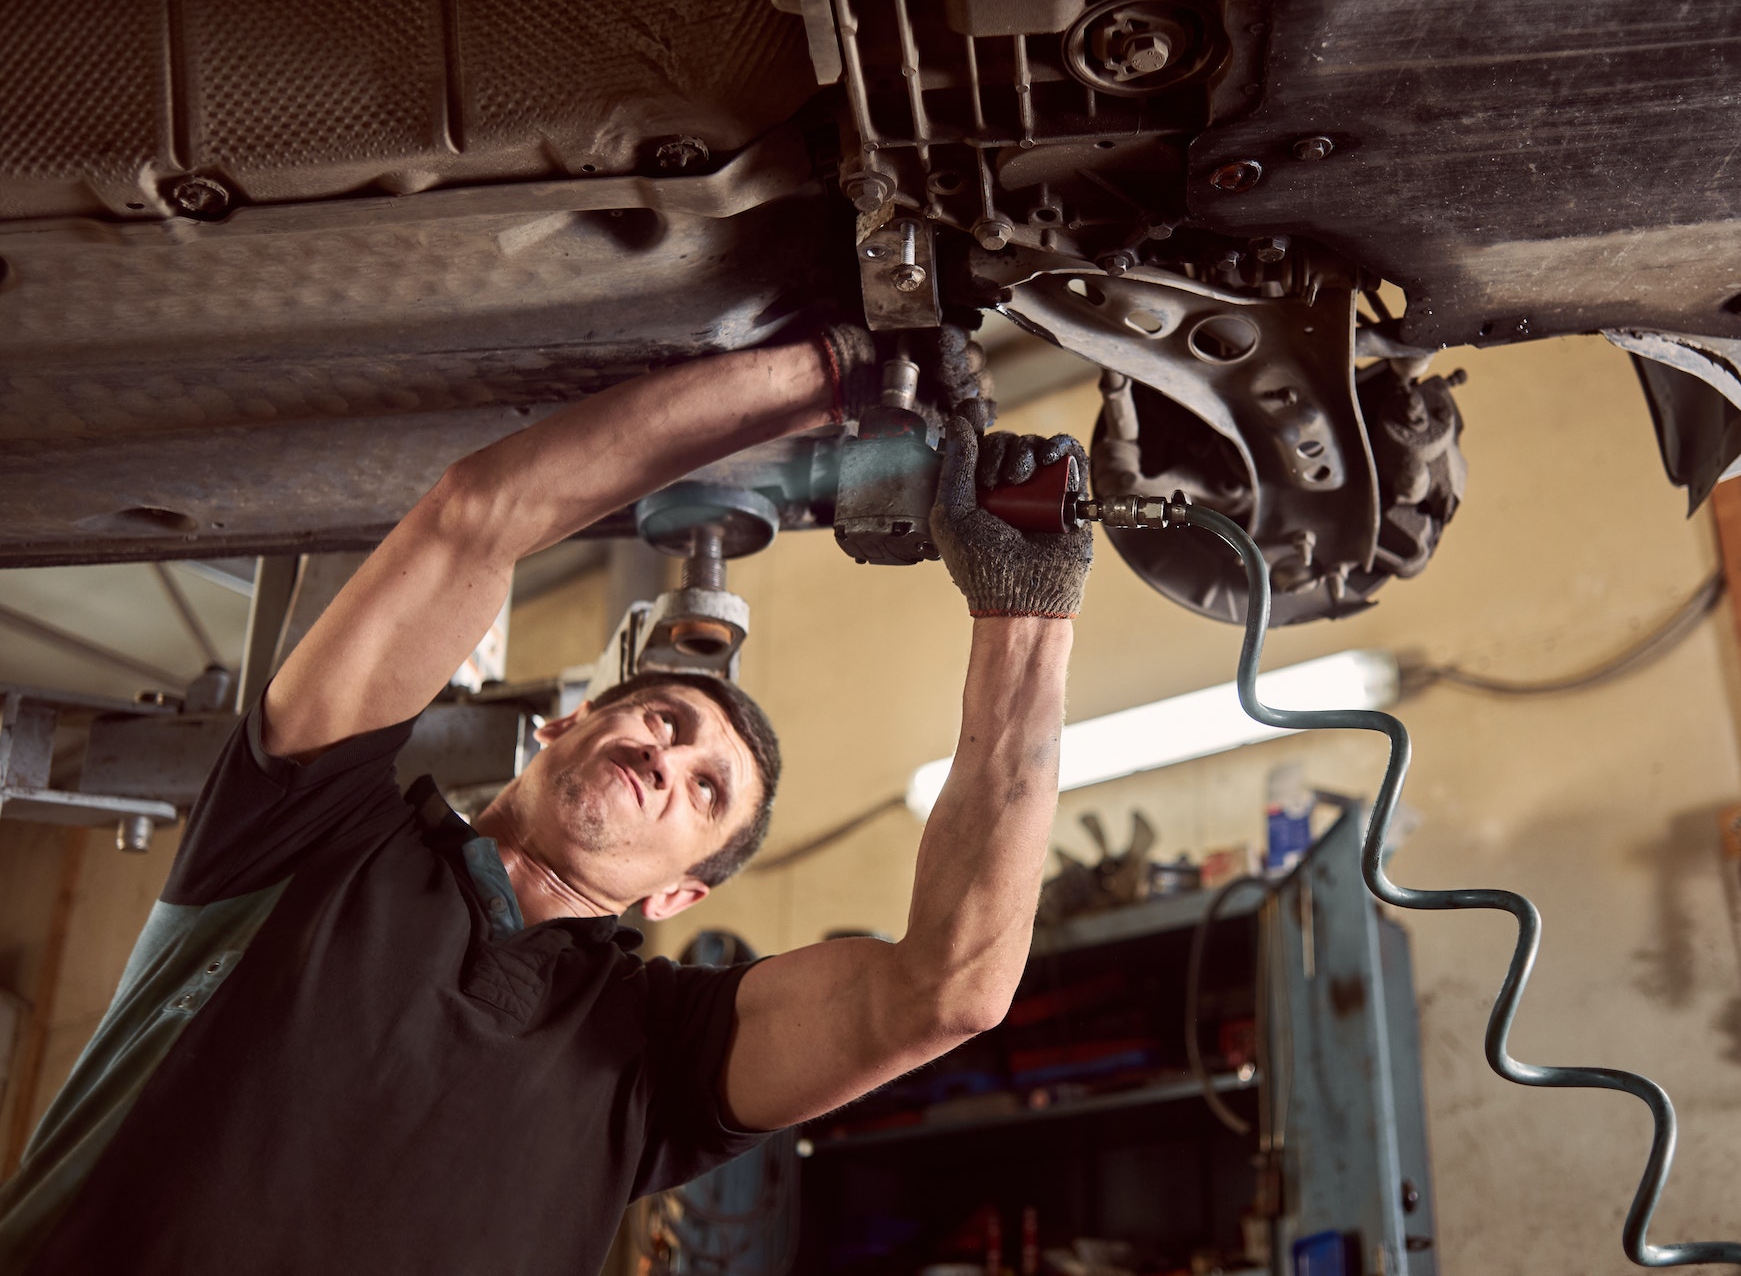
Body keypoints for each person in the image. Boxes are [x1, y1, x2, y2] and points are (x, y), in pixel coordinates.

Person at [0, 329, 1093, 1274]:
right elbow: (474, 518)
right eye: (663, 717)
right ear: (561, 726)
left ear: (679, 895)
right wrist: (841, 365)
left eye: (706, 787)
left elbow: (947, 990)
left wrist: (1027, 615)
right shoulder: (308, 824)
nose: (669, 756)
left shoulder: (655, 1061)